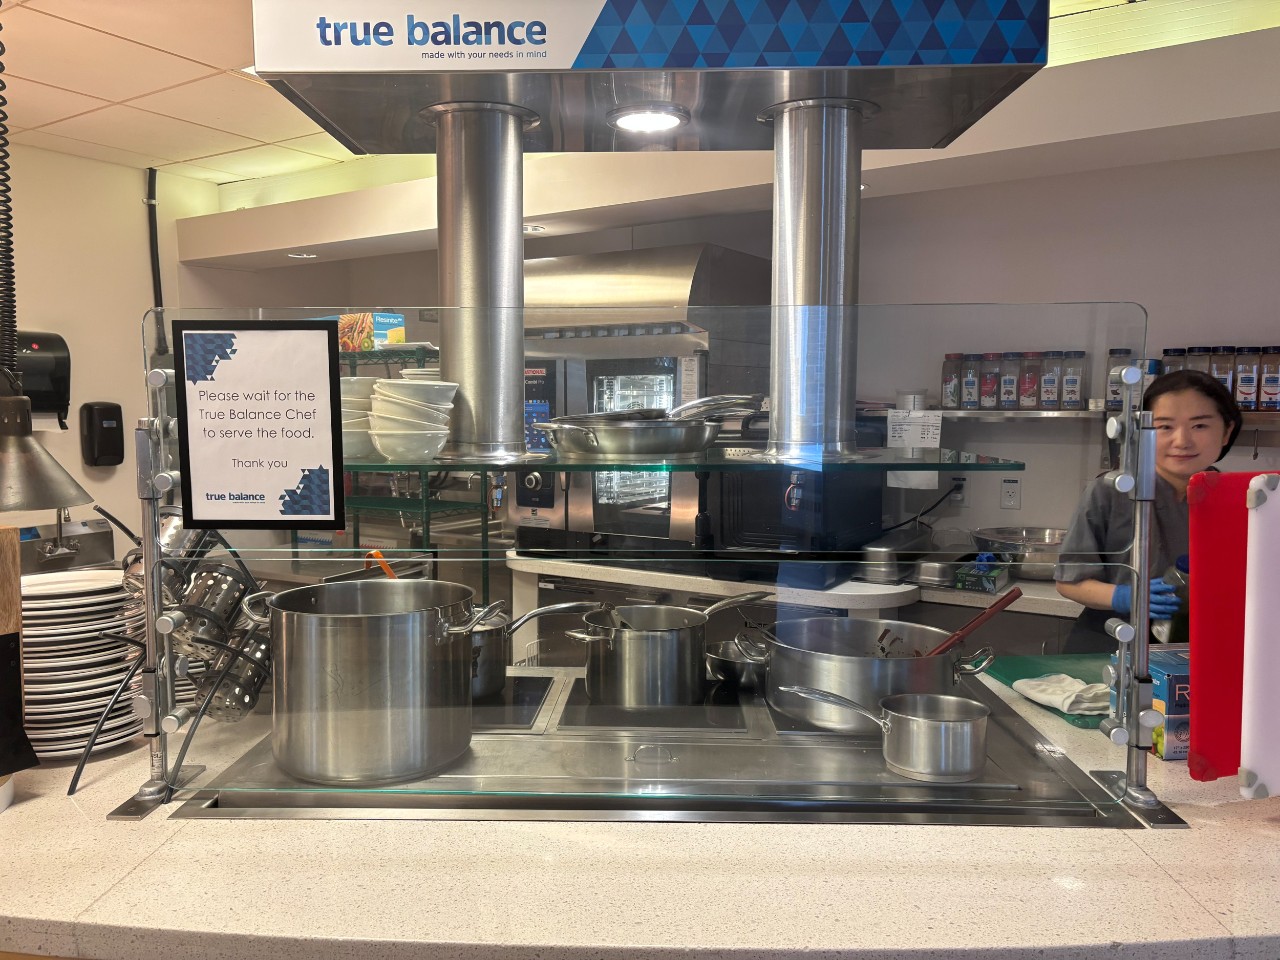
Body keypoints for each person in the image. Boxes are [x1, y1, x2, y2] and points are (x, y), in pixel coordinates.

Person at [1054, 369, 1242, 653]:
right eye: (1164, 427)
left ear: (1226, 431)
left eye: (1200, 426)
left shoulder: (1239, 499)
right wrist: (1124, 596)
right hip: (1108, 647)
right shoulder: (1112, 491)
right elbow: (1069, 582)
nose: (1182, 441)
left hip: (1198, 650)